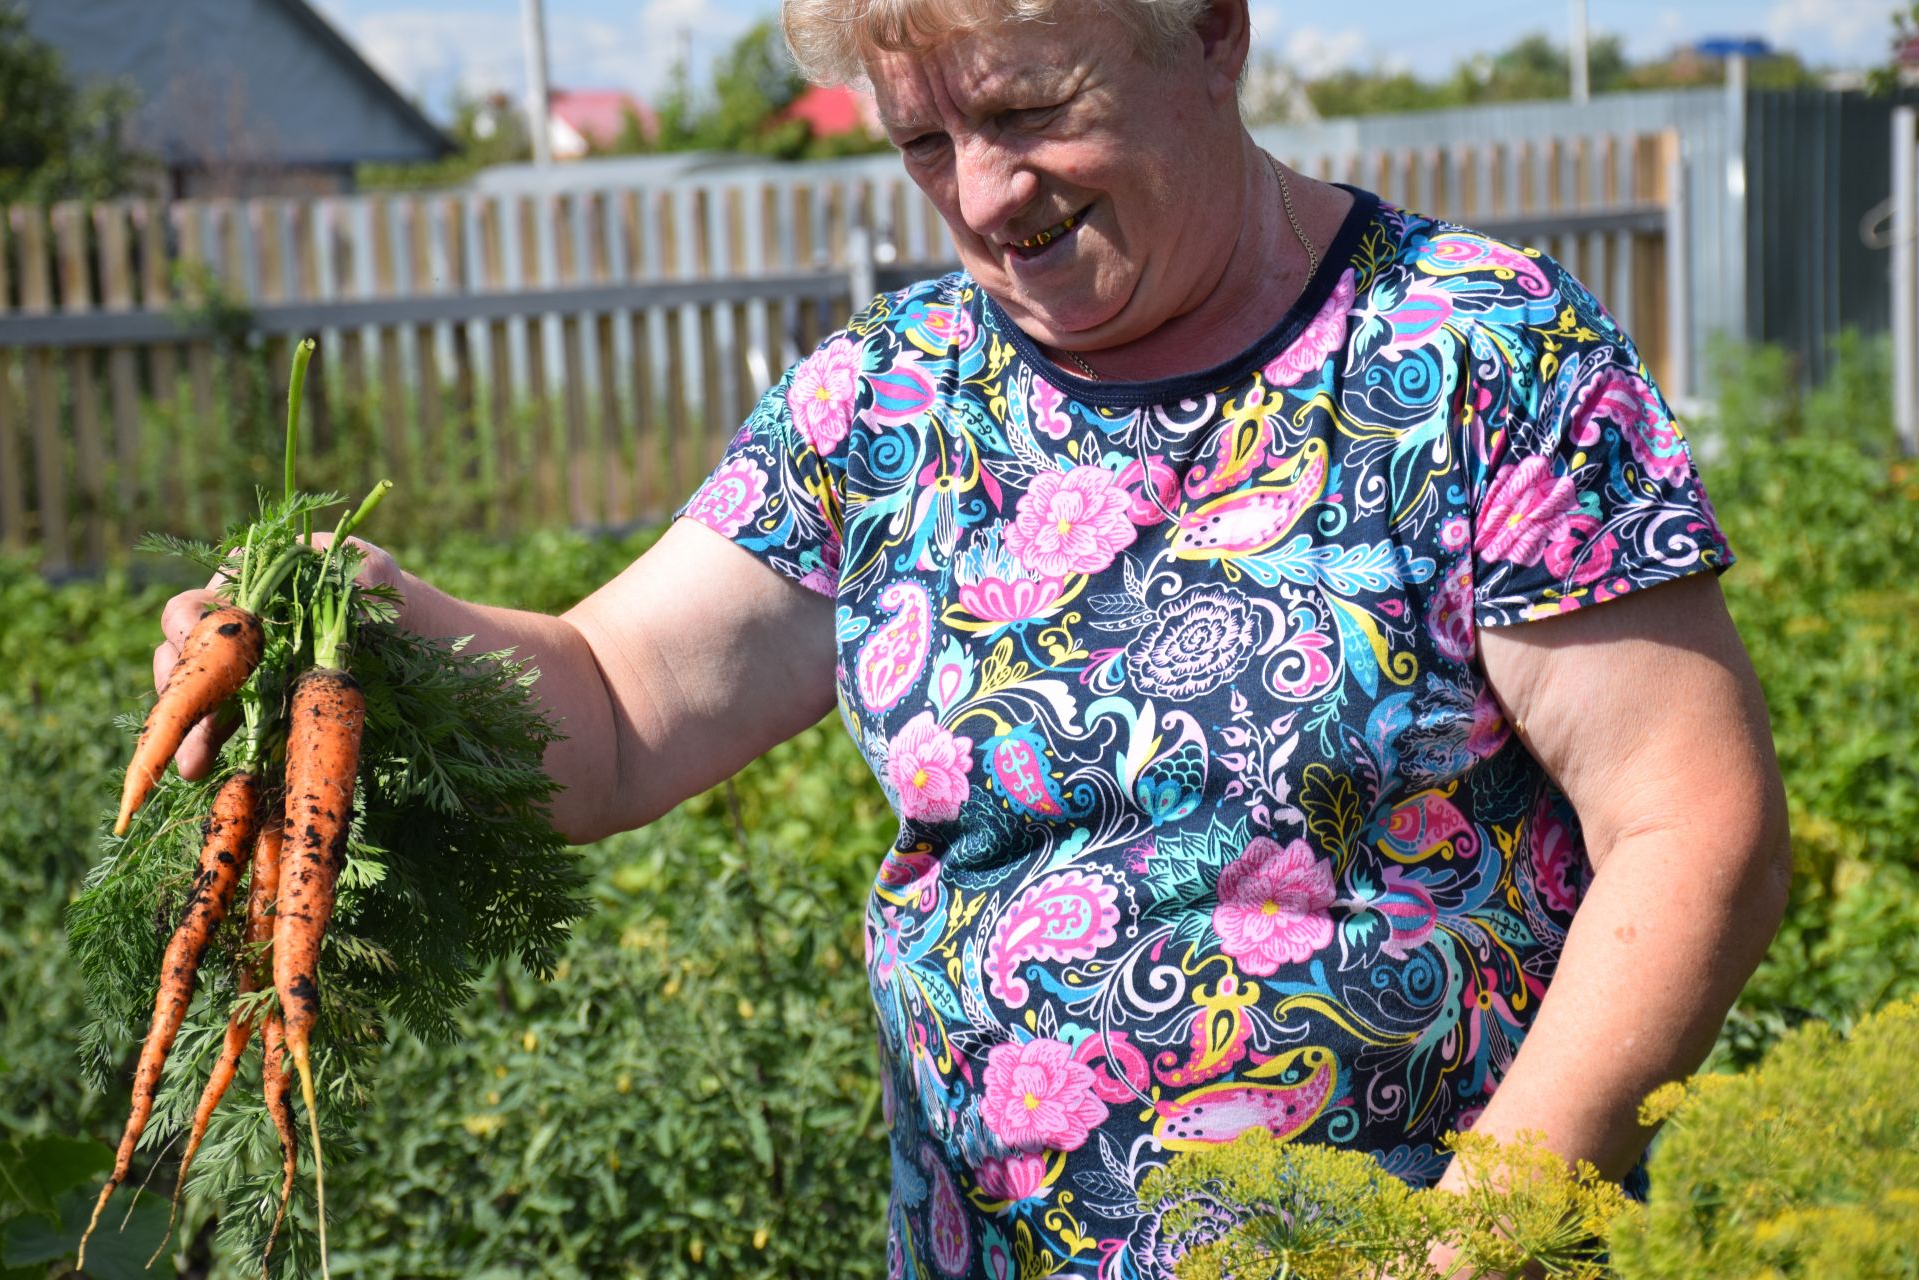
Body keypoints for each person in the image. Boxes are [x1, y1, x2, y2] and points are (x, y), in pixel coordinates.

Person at [159, 0, 1792, 1273]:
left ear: (1213, 31)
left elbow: (1691, 822)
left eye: (1026, 115)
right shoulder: (888, 400)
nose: (986, 197)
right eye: (925, 141)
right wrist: (374, 631)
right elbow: (614, 709)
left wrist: (1496, 1222)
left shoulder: (1480, 355)